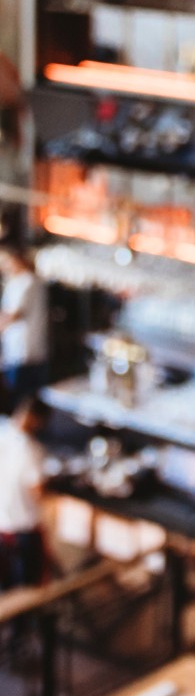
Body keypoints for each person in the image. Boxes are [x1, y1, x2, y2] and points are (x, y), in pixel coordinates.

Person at [0, 400, 48, 588]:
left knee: (5, 587)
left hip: (2, 527)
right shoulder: (29, 449)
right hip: (22, 530)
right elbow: (37, 492)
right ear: (36, 420)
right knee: (30, 586)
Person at [0, 246, 48, 409]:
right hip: (21, 351)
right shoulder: (19, 282)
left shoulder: (28, 281)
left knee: (22, 400)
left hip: (25, 351)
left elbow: (14, 315)